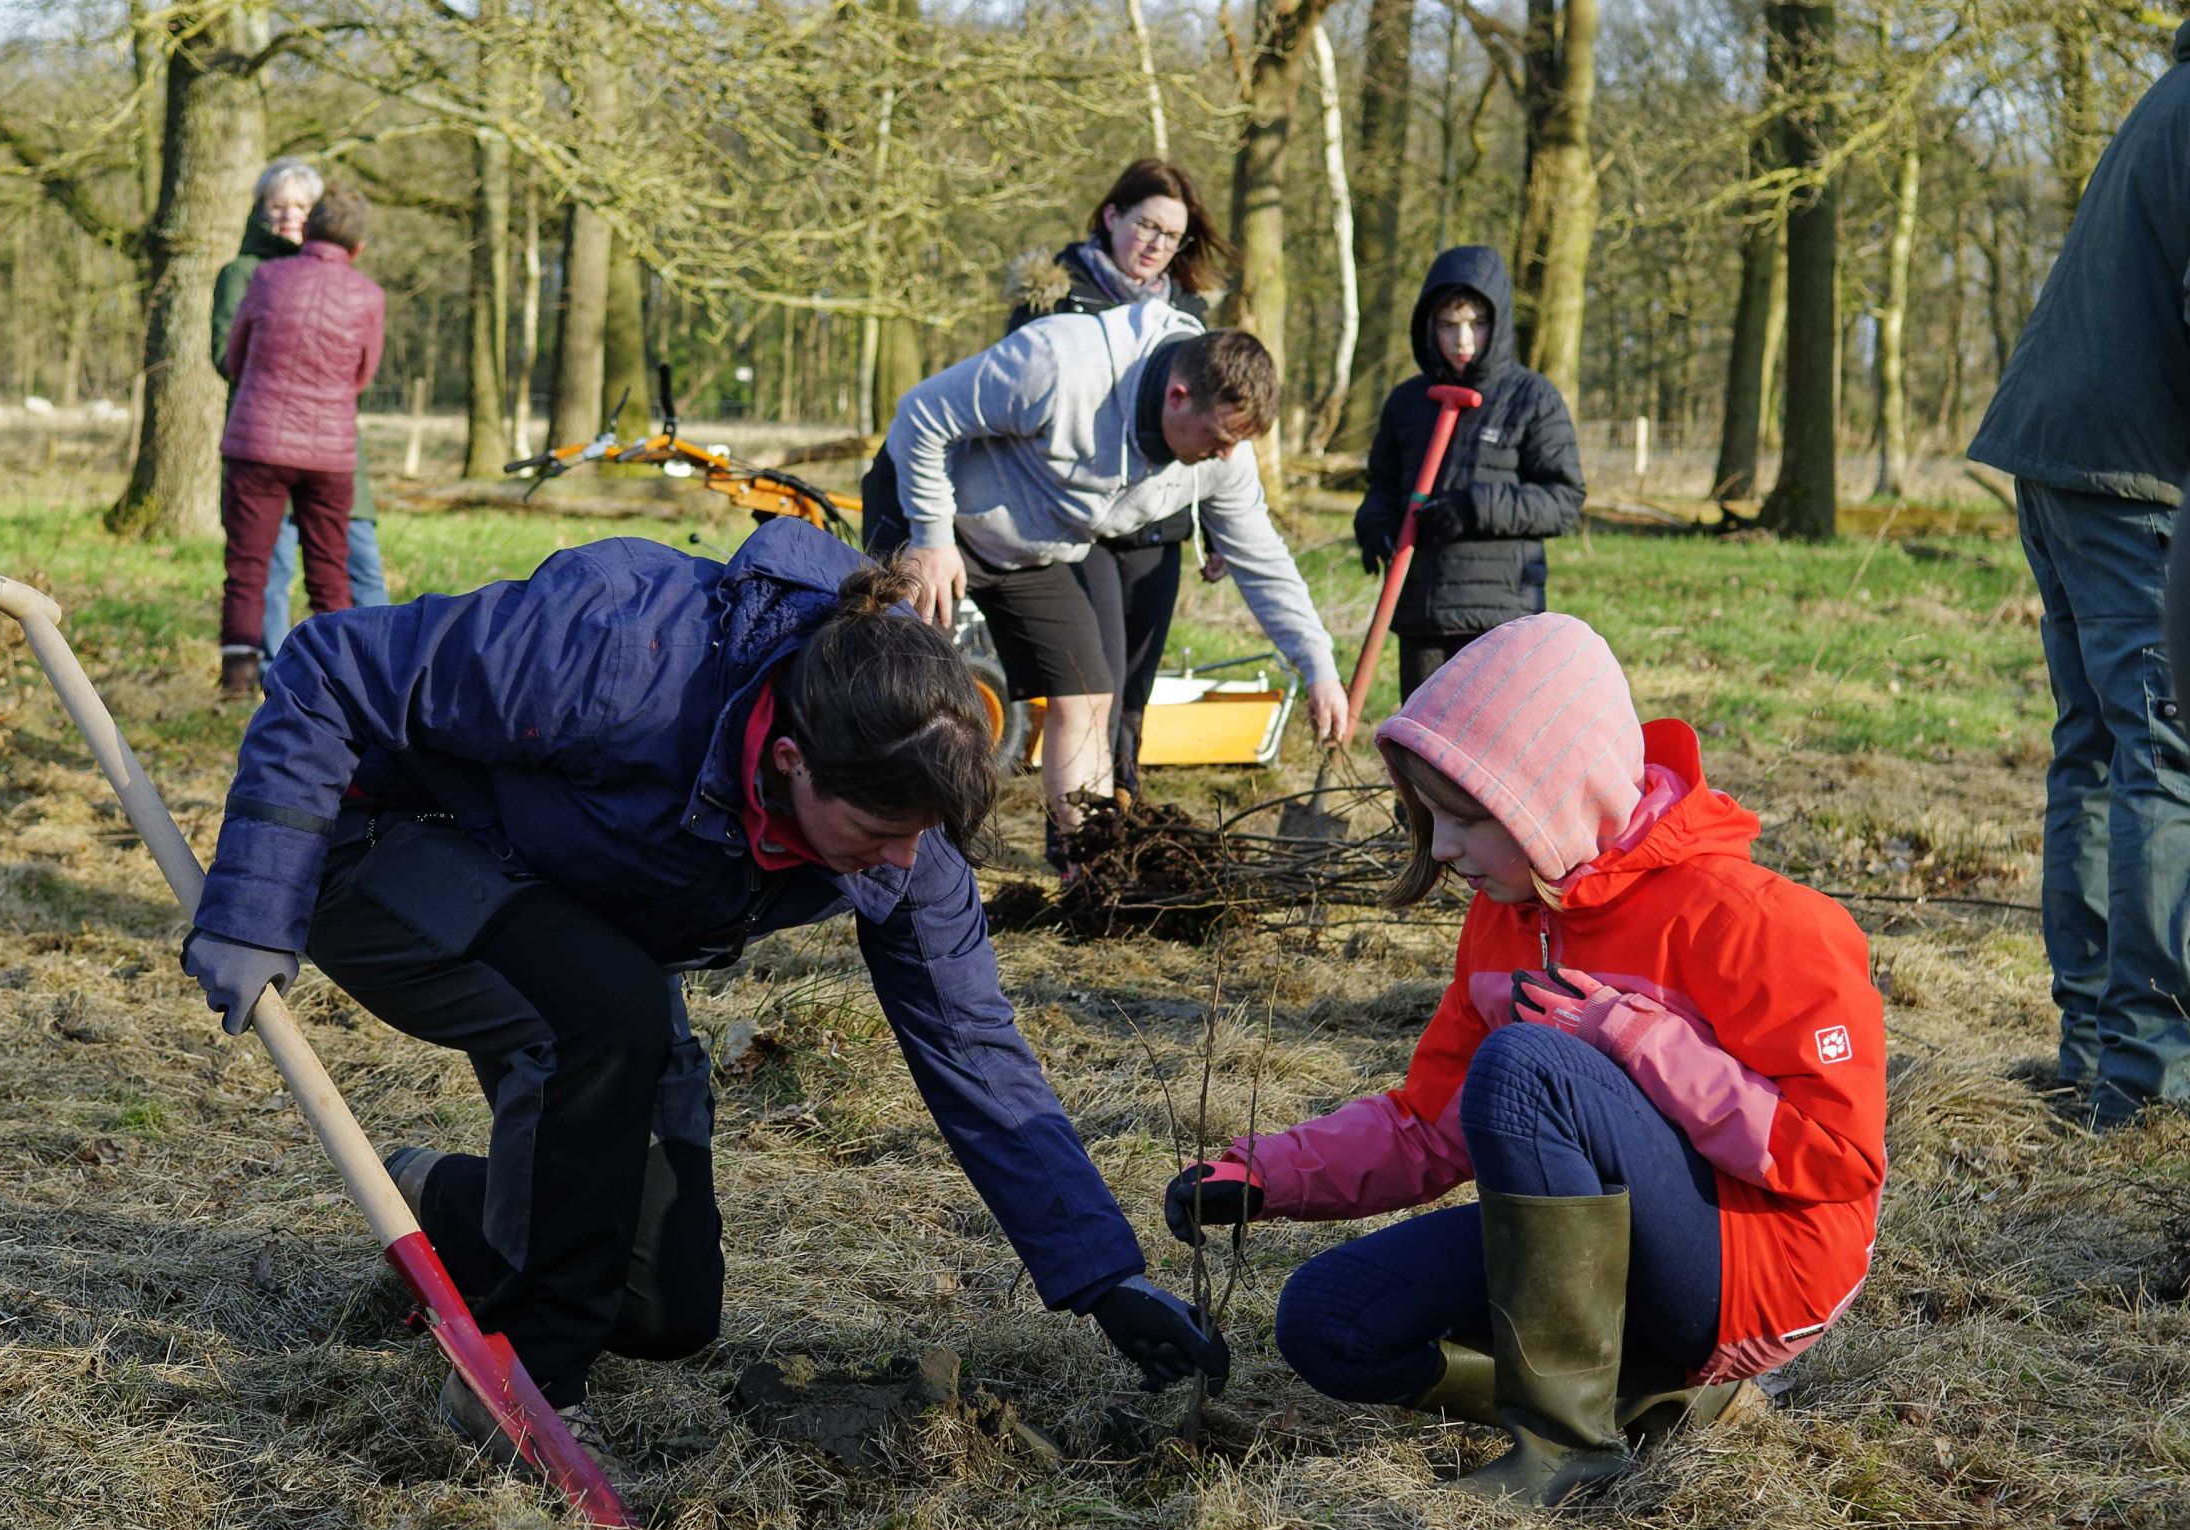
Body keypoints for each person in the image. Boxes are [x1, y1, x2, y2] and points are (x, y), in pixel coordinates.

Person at [177, 519, 1231, 1463]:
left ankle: (441, 1198)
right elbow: (330, 666)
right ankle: (525, 1385)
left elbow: (977, 1054)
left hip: (573, 918)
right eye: (872, 836)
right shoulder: (620, 646)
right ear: (785, 761)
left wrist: (1104, 1275)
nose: (896, 865)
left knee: (664, 1307)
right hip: (376, 841)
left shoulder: (901, 843)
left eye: (914, 842)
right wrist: (253, 905)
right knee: (608, 1019)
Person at [1164, 616, 1886, 1507]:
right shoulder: (1508, 919)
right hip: (1599, 1269)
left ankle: (1566, 1448)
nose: (1441, 848)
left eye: (1466, 818)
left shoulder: (1758, 919)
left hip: (1755, 1271)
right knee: (1330, 1324)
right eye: (1429, 818)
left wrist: (1636, 1038)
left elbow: (1839, 1158)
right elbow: (1429, 1125)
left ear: (1556, 797)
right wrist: (1264, 1174)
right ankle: (1655, 1401)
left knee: (1528, 1062)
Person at [863, 307, 1351, 867]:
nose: (1226, 456)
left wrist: (1317, 664)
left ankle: (1089, 871)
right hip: (930, 514)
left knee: (1089, 696)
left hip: (1034, 547)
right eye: (1219, 438)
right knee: (894, 679)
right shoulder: (1061, 364)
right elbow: (922, 414)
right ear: (1179, 395)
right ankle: (870, 844)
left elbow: (1262, 557)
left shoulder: (1223, 460)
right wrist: (930, 535)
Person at [1967, 23, 2190, 1129]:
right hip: (2121, 467)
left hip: (2057, 451)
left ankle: (2093, 1042)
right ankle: (2146, 1072)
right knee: (2159, 744)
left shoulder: (2171, 94)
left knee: (2096, 746)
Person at [1005, 158, 1239, 796]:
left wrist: (1217, 527)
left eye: (1173, 237)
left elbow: (1211, 423)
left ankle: (1124, 817)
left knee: (1134, 691)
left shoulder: (1190, 312)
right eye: (1147, 227)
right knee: (1091, 686)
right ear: (1112, 216)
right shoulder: (1055, 296)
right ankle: (1080, 843)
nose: (1157, 247)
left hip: (1158, 529)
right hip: (1080, 526)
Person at [1353, 245, 1585, 699]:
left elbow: (1563, 500)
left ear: (1496, 324)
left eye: (1476, 324)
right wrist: (1374, 523)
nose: (1463, 340)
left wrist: (1473, 507)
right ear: (1427, 326)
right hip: (1421, 606)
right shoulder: (1406, 402)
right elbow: (1381, 484)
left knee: (1489, 751)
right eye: (1448, 325)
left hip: (1500, 615)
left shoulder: (1531, 397)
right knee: (1423, 743)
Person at [214, 161, 390, 667]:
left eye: (300, 208)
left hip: (285, 442)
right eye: (278, 206)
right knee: (276, 568)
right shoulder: (250, 272)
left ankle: (360, 665)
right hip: (301, 442)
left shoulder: (274, 278)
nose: (289, 216)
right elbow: (362, 372)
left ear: (315, 219)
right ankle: (305, 669)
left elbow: (238, 355)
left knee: (346, 563)